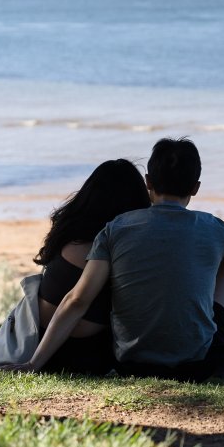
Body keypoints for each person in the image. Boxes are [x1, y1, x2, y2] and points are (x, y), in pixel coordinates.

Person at [7, 138, 224, 383]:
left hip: (131, 365)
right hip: (197, 366)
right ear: (195, 188)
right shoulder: (213, 228)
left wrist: (33, 363)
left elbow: (77, 299)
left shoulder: (116, 229)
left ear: (148, 182)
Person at [34, 159, 151, 375]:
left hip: (40, 340)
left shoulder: (68, 235)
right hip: (83, 355)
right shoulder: (109, 246)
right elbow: (77, 301)